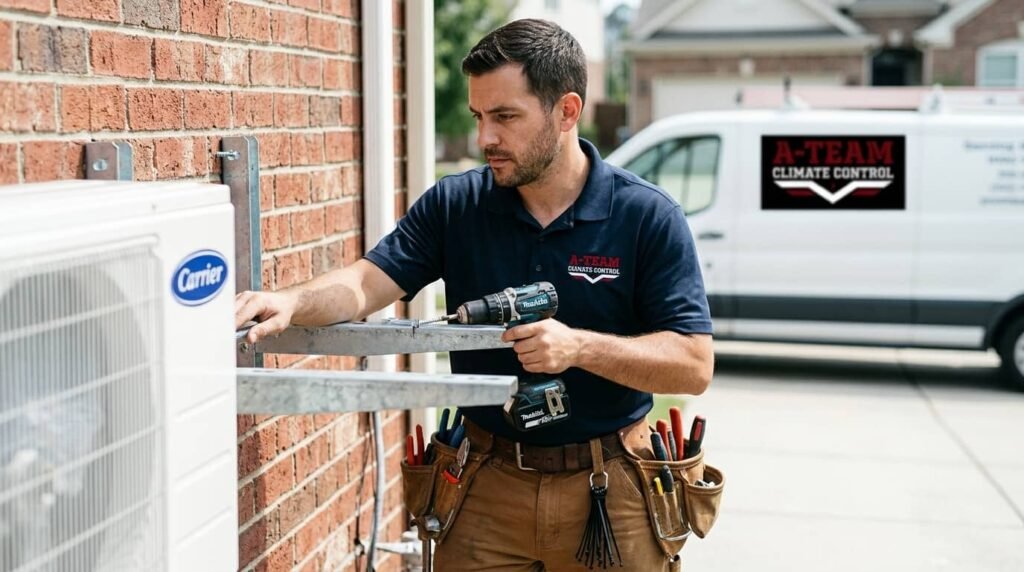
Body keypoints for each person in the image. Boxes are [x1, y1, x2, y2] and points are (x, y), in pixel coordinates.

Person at [235, 18, 713, 571]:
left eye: (505, 116)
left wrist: (580, 348)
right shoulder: (455, 206)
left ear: (567, 111)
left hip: (610, 490)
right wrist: (294, 301)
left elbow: (693, 364)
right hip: (484, 485)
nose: (486, 137)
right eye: (479, 117)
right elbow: (366, 282)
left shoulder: (645, 216)